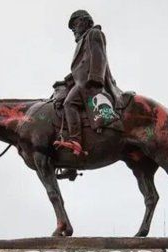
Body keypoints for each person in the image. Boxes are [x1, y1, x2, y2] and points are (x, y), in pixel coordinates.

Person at [54, 10, 121, 156]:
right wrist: (65, 81)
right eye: (72, 28)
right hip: (82, 81)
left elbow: (98, 56)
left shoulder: (94, 34)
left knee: (68, 103)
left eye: (75, 25)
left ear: (86, 22)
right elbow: (81, 68)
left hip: (90, 82)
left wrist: (96, 78)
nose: (74, 30)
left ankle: (75, 140)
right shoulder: (83, 40)